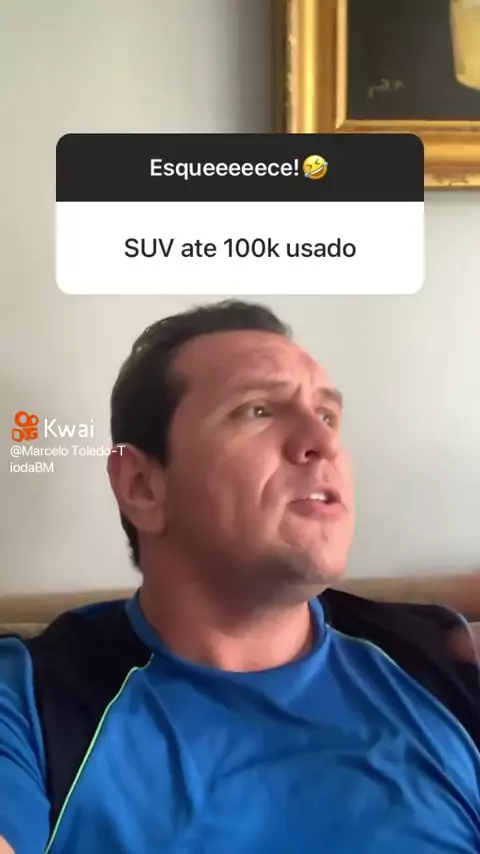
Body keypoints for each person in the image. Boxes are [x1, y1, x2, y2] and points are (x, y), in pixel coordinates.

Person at [0, 299, 479, 854]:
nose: (324, 443)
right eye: (258, 410)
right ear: (142, 487)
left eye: (328, 416)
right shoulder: (29, 701)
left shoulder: (440, 655)